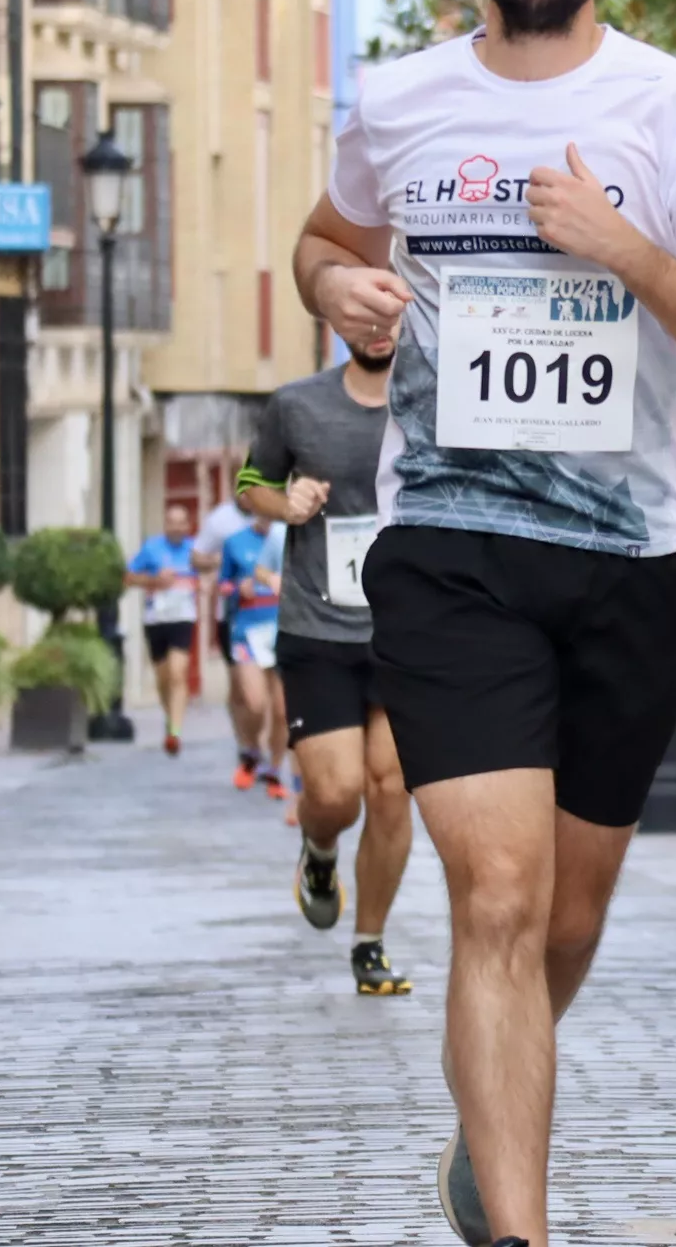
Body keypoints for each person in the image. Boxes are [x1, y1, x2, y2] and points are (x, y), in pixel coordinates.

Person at [292, 0, 676, 1247]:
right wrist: (343, 292)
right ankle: (521, 1225)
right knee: (496, 894)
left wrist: (626, 249)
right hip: (451, 546)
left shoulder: (672, 108)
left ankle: (486, 1109)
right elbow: (322, 240)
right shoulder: (403, 102)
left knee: (562, 921)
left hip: (632, 560)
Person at [237, 329, 418, 996]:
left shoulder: (428, 401)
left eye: (391, 314)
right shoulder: (298, 404)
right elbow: (250, 482)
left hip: (407, 631)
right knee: (337, 793)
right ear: (344, 326)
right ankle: (319, 851)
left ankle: (369, 943)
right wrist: (285, 503)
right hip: (319, 626)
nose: (378, 329)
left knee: (392, 787)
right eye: (363, 316)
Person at [197, 495, 271, 787]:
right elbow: (197, 557)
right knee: (242, 688)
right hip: (234, 617)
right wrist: (223, 561)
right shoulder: (221, 521)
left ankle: (267, 753)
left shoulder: (282, 524)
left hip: (275, 620)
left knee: (274, 694)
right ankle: (247, 743)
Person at [217, 515, 290, 801]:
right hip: (248, 631)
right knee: (255, 702)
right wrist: (237, 589)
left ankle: (273, 769)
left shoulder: (289, 535)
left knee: (284, 711)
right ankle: (250, 750)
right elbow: (223, 584)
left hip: (283, 628)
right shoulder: (236, 542)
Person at [124, 503, 201, 754]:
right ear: (165, 524)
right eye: (172, 522)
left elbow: (212, 570)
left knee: (179, 673)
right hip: (156, 619)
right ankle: (171, 719)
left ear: (188, 525)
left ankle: (175, 732)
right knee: (163, 677)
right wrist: (153, 580)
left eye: (181, 522)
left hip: (183, 617)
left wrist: (205, 581)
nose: (177, 527)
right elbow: (128, 577)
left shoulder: (195, 549)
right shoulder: (151, 547)